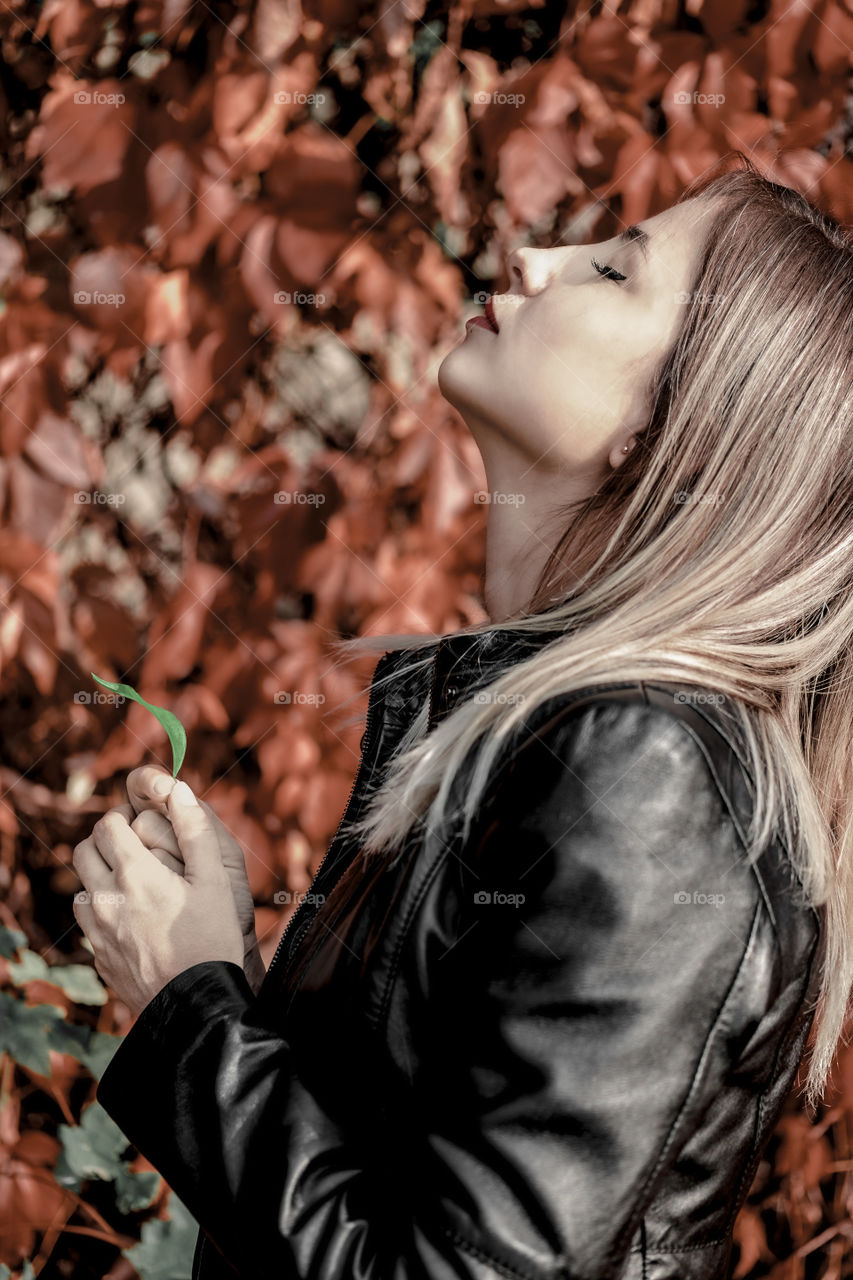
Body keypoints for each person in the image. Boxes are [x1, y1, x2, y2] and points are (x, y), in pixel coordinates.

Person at [72, 151, 853, 1278]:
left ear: (670, 426)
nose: (532, 259)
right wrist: (228, 976)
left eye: (612, 272)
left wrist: (184, 1010)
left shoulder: (649, 767)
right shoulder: (576, 736)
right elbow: (394, 1189)